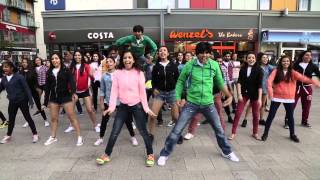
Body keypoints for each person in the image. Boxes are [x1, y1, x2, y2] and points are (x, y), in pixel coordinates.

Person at [157, 42, 239, 166]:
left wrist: (229, 95)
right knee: (177, 130)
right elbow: (180, 81)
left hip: (208, 104)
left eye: (207, 53)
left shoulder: (214, 65)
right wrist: (178, 96)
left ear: (210, 53)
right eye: (202, 53)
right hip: (191, 103)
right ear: (197, 53)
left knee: (219, 130)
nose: (204, 55)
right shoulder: (190, 65)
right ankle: (165, 153)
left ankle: (226, 151)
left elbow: (220, 83)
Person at [95, 50, 156, 167]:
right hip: (123, 107)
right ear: (122, 60)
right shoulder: (118, 73)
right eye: (125, 58)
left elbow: (142, 92)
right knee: (114, 131)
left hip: (137, 106)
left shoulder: (139, 73)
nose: (127, 60)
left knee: (143, 131)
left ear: (133, 60)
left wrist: (146, 108)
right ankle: (107, 154)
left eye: (129, 57)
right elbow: (114, 91)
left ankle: (150, 154)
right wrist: (112, 107)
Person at [261, 55, 320, 142]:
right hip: (277, 97)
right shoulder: (276, 71)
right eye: (284, 61)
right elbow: (269, 82)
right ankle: (265, 133)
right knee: (270, 116)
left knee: (290, 117)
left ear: (290, 62)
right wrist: (271, 93)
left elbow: (303, 78)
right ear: (281, 62)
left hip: (289, 98)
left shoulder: (292, 72)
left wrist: (314, 82)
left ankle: (292, 134)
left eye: (287, 61)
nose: (286, 63)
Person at [94, 57, 138, 146]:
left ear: (115, 63)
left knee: (127, 120)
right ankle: (101, 138)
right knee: (104, 121)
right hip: (108, 101)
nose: (109, 63)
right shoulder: (104, 76)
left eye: (111, 61)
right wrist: (102, 103)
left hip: (121, 101)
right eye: (107, 62)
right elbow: (102, 90)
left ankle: (133, 137)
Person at [43, 53, 83, 146]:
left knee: (72, 117)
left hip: (66, 97)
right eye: (52, 59)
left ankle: (79, 137)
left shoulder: (66, 70)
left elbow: (72, 82)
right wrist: (45, 102)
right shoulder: (49, 72)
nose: (54, 60)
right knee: (53, 118)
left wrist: (73, 93)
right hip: (54, 98)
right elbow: (47, 88)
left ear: (60, 59)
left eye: (56, 58)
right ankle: (53, 137)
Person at [0, 61, 39, 144]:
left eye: (6, 67)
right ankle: (8, 135)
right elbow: (1, 88)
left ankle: (35, 134)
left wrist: (31, 101)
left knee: (27, 117)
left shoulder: (19, 77)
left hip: (22, 100)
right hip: (12, 101)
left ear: (12, 68)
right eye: (3, 67)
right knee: (11, 119)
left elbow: (26, 88)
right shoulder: (3, 79)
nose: (4, 68)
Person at [148, 46, 180, 144]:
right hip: (160, 93)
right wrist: (154, 89)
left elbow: (178, 80)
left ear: (168, 53)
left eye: (164, 50)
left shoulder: (173, 65)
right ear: (158, 54)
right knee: (152, 116)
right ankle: (151, 135)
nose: (162, 52)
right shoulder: (156, 66)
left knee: (175, 117)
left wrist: (179, 93)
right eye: (160, 51)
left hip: (172, 93)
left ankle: (178, 134)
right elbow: (153, 80)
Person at [228, 52, 263, 140]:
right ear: (246, 59)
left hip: (254, 94)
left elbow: (260, 85)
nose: (251, 59)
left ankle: (255, 133)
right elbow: (239, 82)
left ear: (255, 59)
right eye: (249, 58)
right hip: (243, 94)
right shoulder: (243, 69)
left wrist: (259, 99)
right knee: (238, 113)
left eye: (253, 58)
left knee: (255, 115)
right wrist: (239, 94)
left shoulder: (259, 70)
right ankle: (233, 133)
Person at [283, 50, 320, 128]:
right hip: (296, 88)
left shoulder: (313, 66)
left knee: (307, 106)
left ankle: (304, 121)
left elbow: (318, 74)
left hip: (307, 89)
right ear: (302, 56)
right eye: (307, 55)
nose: (309, 57)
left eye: (310, 55)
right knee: (291, 105)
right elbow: (289, 74)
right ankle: (287, 121)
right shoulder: (296, 65)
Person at [66, 51, 98, 133]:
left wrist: (94, 75)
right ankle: (71, 125)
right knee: (70, 110)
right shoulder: (71, 66)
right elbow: (68, 79)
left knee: (90, 110)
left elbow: (92, 76)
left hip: (85, 91)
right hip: (74, 92)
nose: (77, 57)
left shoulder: (86, 66)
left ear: (82, 56)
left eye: (79, 55)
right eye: (76, 55)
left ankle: (95, 125)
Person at [19, 58, 49, 127]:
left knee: (38, 105)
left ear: (28, 63)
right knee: (25, 107)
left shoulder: (32, 70)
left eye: (25, 62)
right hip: (25, 92)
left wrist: (37, 88)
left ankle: (45, 120)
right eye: (23, 62)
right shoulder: (21, 72)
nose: (24, 63)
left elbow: (36, 81)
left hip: (33, 91)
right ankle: (28, 120)